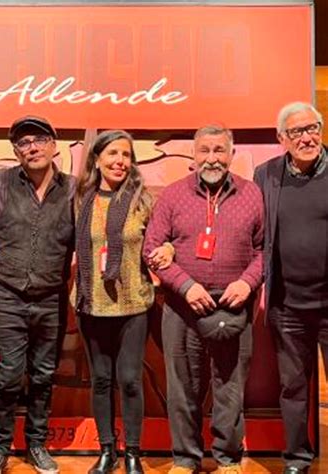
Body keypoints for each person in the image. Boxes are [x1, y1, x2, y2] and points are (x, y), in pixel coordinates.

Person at [143, 125, 264, 474]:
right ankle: (185, 458)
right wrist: (185, 286)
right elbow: (152, 248)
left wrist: (247, 282)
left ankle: (227, 458)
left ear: (231, 154)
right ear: (194, 156)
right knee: (183, 387)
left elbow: (264, 249)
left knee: (230, 387)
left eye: (219, 150)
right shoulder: (172, 196)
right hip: (183, 308)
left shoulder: (252, 194)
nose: (212, 158)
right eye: (204, 151)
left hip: (234, 305)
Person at [0, 116, 75, 474]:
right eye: (23, 142)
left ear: (54, 144)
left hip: (51, 297)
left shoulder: (73, 189)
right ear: (15, 151)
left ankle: (36, 444)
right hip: (7, 295)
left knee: (43, 374)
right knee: (6, 376)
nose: (31, 147)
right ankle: (0, 447)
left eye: (38, 140)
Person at [74, 129, 173, 474]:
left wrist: (168, 249)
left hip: (133, 305)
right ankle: (106, 450)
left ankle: (132, 450)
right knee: (101, 379)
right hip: (91, 303)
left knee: (129, 379)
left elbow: (165, 239)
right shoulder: (80, 199)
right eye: (113, 154)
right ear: (98, 159)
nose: (119, 161)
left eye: (126, 155)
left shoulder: (142, 200)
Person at [254, 102, 328, 474]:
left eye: (312, 128)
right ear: (281, 138)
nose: (306, 137)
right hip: (287, 305)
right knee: (293, 387)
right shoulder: (265, 175)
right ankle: (298, 457)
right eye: (296, 132)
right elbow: (254, 231)